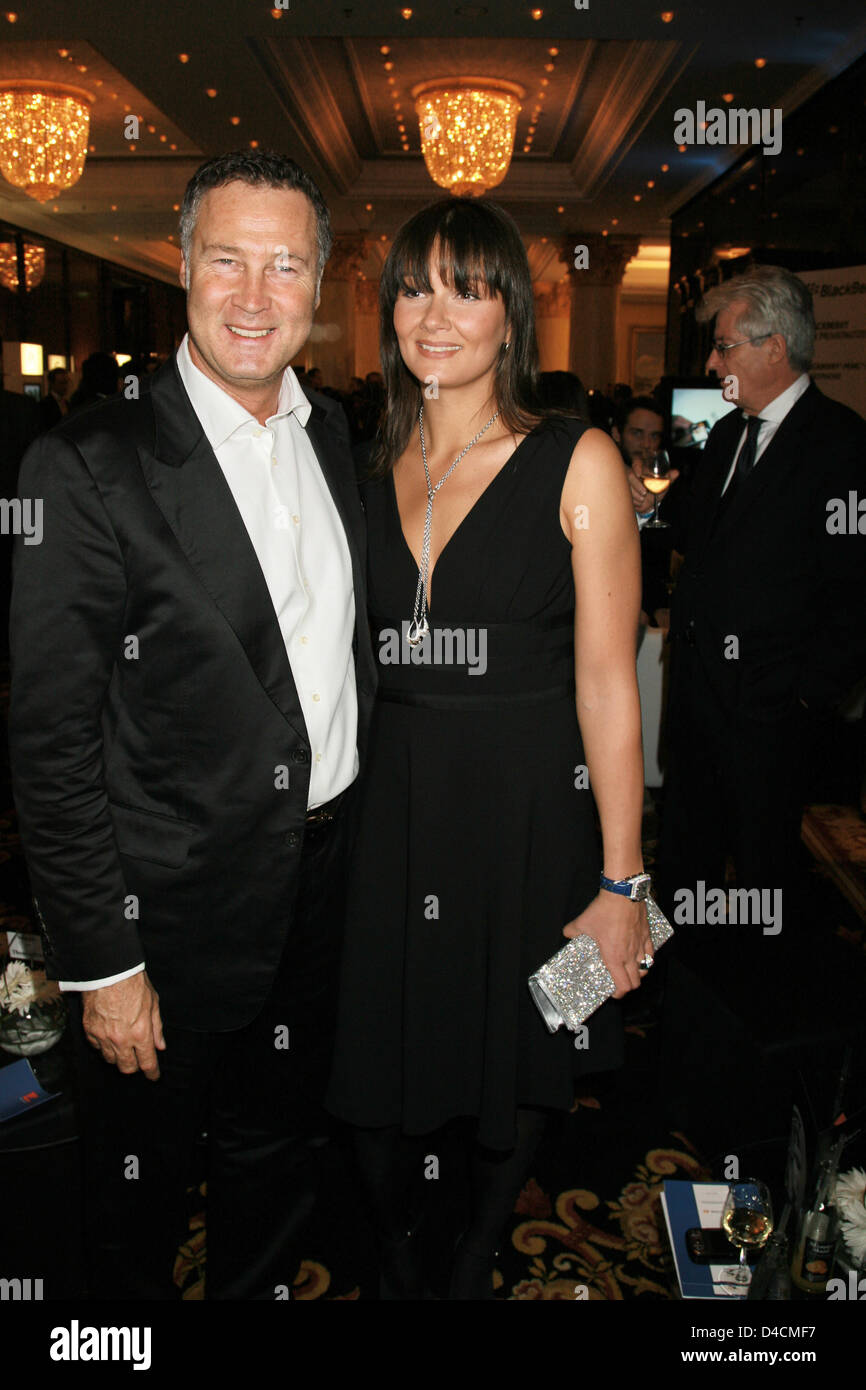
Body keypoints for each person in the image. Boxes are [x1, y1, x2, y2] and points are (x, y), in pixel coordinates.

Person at [8, 149, 375, 1300]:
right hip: (161, 918)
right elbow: (49, 741)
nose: (254, 296)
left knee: (276, 1163)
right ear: (181, 266)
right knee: (134, 1201)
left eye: (283, 266)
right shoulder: (86, 465)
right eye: (227, 260)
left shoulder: (334, 440)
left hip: (320, 891)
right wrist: (103, 963)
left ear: (319, 285)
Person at [326, 197, 650, 1299]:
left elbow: (607, 684)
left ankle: (470, 1255)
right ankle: (402, 1248)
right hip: (392, 813)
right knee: (374, 1058)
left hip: (531, 814)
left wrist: (622, 881)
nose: (435, 312)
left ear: (511, 315)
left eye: (467, 287)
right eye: (415, 285)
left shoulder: (578, 457)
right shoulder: (363, 458)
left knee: (525, 1055)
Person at [657, 264, 866, 942]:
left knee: (765, 878)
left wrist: (806, 697)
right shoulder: (726, 434)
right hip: (696, 702)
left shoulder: (841, 443)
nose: (714, 361)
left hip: (772, 716)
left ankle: (762, 1018)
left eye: (725, 346)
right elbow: (700, 538)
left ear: (774, 347)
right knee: (683, 860)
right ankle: (677, 1004)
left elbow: (855, 587)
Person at [614, 395, 681, 628]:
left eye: (654, 436)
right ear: (616, 434)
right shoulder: (601, 480)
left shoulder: (670, 490)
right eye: (637, 433)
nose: (646, 444)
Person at [37, 366, 70, 432]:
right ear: (52, 384)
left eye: (66, 382)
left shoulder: (67, 403)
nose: (65, 386)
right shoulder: (45, 405)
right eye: (61, 383)